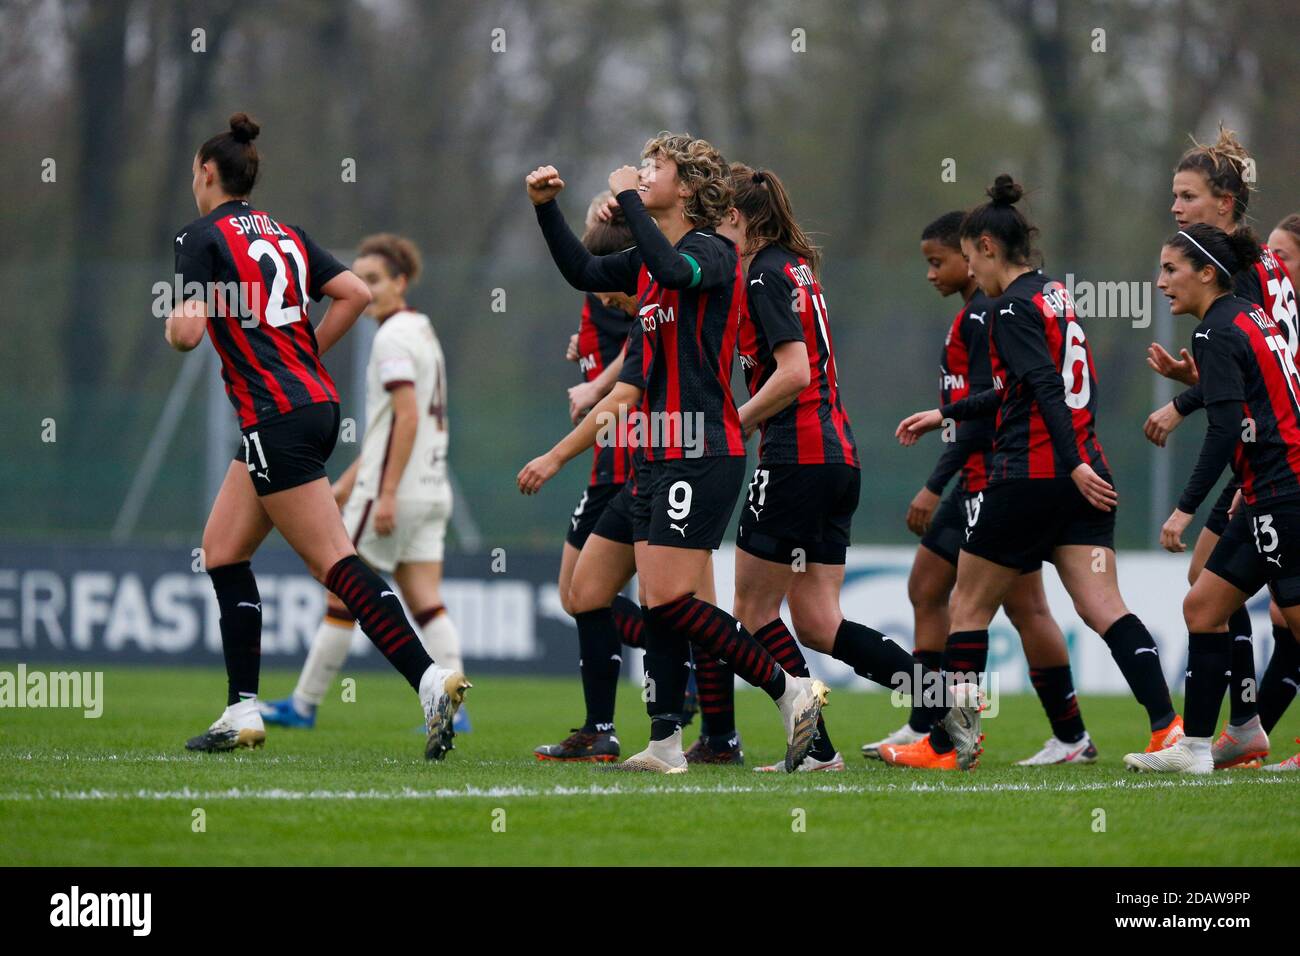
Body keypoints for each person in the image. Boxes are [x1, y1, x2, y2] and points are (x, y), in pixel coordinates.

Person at [518, 133, 828, 773]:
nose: (640, 171)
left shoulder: (712, 252)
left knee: (672, 602)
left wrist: (628, 197)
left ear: (685, 187)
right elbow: (581, 271)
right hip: (654, 456)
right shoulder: (649, 261)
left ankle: (790, 690)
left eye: (654, 166)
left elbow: (671, 268)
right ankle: (664, 742)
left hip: (702, 449)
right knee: (593, 588)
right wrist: (545, 207)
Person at [166, 113, 468, 758]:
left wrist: (178, 319)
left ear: (207, 172)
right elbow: (354, 293)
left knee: (333, 561)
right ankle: (241, 709)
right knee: (222, 550)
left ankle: (429, 679)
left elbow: (188, 334)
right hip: (309, 408)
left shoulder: (199, 236)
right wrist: (304, 353)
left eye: (194, 171)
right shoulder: (286, 232)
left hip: (276, 416)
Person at [895, 175, 1180, 770]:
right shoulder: (1055, 295)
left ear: (988, 250)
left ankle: (949, 747)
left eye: (971, 257)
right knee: (1106, 608)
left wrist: (1068, 459)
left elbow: (1044, 386)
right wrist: (945, 412)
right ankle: (1168, 730)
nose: (973, 271)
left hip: (1030, 473)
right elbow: (1028, 387)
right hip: (1084, 477)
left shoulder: (1007, 308)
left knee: (968, 610)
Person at [700, 163, 941, 773]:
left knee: (753, 615)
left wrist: (738, 421)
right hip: (837, 458)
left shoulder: (762, 276)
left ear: (737, 219)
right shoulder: (798, 269)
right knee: (818, 621)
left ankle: (816, 750)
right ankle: (945, 699)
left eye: (717, 220)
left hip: (795, 459)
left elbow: (795, 372)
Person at [868, 211, 1095, 767]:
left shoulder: (988, 315)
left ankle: (943, 732)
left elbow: (992, 408)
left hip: (994, 477)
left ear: (977, 255)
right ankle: (943, 724)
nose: (935, 272)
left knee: (999, 604)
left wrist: (932, 485)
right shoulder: (985, 312)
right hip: (996, 476)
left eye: (941, 260)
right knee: (948, 593)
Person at [259, 233, 468, 735]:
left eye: (375, 280)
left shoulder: (391, 338)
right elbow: (388, 431)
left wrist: (384, 491)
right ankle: (456, 705)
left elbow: (406, 416)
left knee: (342, 593)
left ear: (400, 282)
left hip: (393, 490)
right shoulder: (422, 330)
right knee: (425, 599)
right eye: (360, 279)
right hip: (431, 487)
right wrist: (348, 485)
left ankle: (304, 704)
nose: (366, 290)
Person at [1142, 130, 1299, 768]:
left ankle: (1239, 725)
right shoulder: (1255, 271)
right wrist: (1194, 388)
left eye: (1189, 197)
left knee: (1277, 612)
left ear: (1226, 204)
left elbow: (1249, 372)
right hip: (1267, 446)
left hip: (1274, 456)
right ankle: (1237, 725)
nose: (1177, 208)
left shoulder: (1241, 280)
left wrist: (1183, 404)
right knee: (1206, 592)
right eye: (1174, 196)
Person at [533, 199, 709, 763]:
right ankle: (619, 719)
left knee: (628, 599)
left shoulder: (645, 285)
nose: (603, 294)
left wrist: (593, 388)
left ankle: (686, 686)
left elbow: (636, 354)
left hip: (629, 456)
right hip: (618, 458)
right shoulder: (616, 289)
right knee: (586, 595)